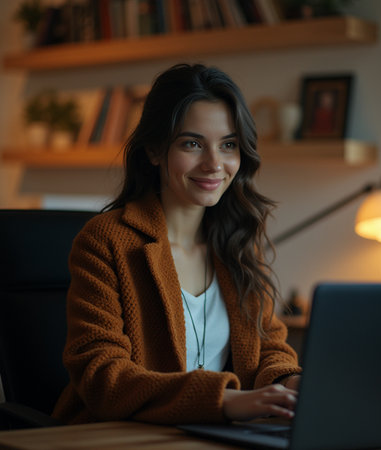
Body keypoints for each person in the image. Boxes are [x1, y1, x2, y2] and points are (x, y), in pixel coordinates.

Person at [53, 63, 301, 425]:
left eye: (228, 145)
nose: (214, 164)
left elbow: (270, 348)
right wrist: (227, 401)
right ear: (155, 151)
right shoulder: (106, 241)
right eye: (192, 144)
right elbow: (102, 377)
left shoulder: (238, 244)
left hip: (218, 434)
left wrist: (290, 383)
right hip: (120, 436)